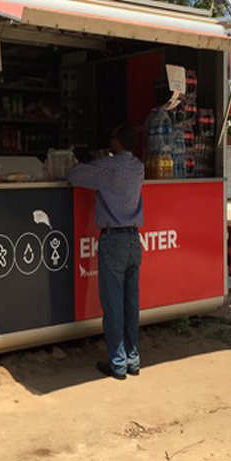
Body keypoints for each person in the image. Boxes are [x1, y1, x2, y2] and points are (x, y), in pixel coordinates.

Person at [67, 125, 144, 380]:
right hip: (135, 240)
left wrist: (89, 160)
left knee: (113, 306)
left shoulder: (106, 169)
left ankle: (118, 364)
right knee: (131, 304)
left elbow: (73, 175)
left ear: (118, 143)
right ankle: (133, 359)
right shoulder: (138, 167)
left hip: (113, 242)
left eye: (112, 138)